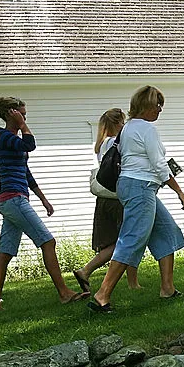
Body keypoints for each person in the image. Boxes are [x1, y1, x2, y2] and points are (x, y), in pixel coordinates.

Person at [89, 85, 184, 313]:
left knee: (166, 231)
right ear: (146, 106)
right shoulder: (145, 129)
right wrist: (179, 191)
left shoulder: (128, 128)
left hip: (136, 187)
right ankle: (102, 295)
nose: (160, 110)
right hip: (140, 188)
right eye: (157, 105)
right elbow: (159, 165)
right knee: (131, 239)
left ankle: (167, 288)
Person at [0, 96, 87, 310]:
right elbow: (30, 144)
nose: (24, 118)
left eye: (25, 115)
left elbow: (26, 174)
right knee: (47, 242)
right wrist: (23, 126)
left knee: (4, 253)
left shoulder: (12, 142)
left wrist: (44, 200)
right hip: (12, 199)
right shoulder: (1, 137)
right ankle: (64, 293)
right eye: (21, 114)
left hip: (14, 199)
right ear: (10, 114)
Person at [72, 109, 141, 294]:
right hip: (117, 198)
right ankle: (87, 270)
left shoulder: (101, 144)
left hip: (103, 199)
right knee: (128, 239)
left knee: (119, 240)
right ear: (118, 123)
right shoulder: (116, 142)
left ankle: (132, 282)